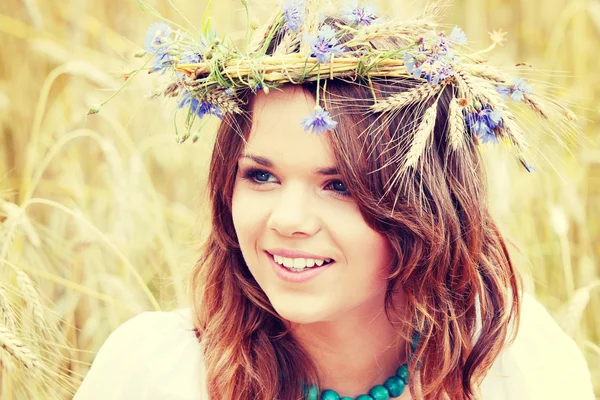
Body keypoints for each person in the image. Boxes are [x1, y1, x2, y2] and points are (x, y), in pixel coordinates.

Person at [75, 1, 595, 399]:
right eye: (261, 176)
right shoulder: (152, 372)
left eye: (339, 185)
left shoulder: (515, 371)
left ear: (425, 209)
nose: (289, 220)